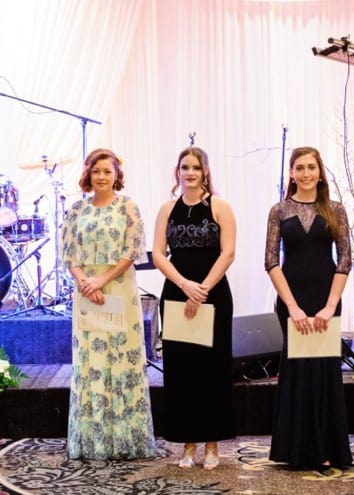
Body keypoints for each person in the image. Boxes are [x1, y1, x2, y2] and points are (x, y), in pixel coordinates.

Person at [61, 148, 156, 460]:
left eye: (107, 171)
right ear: (88, 174)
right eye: (96, 171)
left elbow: (133, 251)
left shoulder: (128, 206)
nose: (101, 177)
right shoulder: (76, 210)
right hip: (86, 293)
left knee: (120, 358)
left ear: (117, 175)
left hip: (118, 289)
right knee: (91, 362)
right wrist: (85, 282)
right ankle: (92, 441)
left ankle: (126, 440)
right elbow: (69, 254)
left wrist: (101, 281)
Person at [264, 146, 353, 469]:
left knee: (325, 371)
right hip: (292, 301)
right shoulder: (279, 210)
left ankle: (327, 448)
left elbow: (345, 259)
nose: (305, 173)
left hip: (326, 299)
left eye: (311, 167)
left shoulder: (335, 210)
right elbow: (270, 261)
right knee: (297, 372)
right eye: (299, 168)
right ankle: (296, 450)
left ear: (319, 171)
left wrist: (330, 305)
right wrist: (292, 307)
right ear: (291, 173)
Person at [152, 146, 236, 469]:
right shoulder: (167, 209)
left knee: (212, 371)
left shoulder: (220, 206)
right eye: (185, 167)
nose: (190, 173)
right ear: (178, 172)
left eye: (196, 168)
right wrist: (184, 284)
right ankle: (188, 445)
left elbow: (228, 253)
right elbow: (158, 254)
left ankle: (212, 445)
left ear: (205, 172)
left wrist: (201, 290)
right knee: (181, 371)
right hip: (176, 294)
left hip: (213, 294)